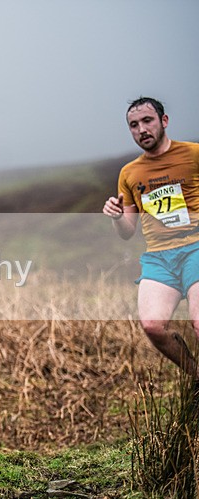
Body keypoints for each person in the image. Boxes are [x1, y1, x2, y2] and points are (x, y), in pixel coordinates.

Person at [103, 96, 199, 378]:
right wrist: (117, 216)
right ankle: (196, 378)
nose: (141, 129)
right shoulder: (129, 173)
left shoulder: (193, 154)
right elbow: (127, 232)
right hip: (159, 257)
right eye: (134, 125)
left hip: (195, 247)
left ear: (164, 121)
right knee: (152, 325)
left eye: (147, 121)